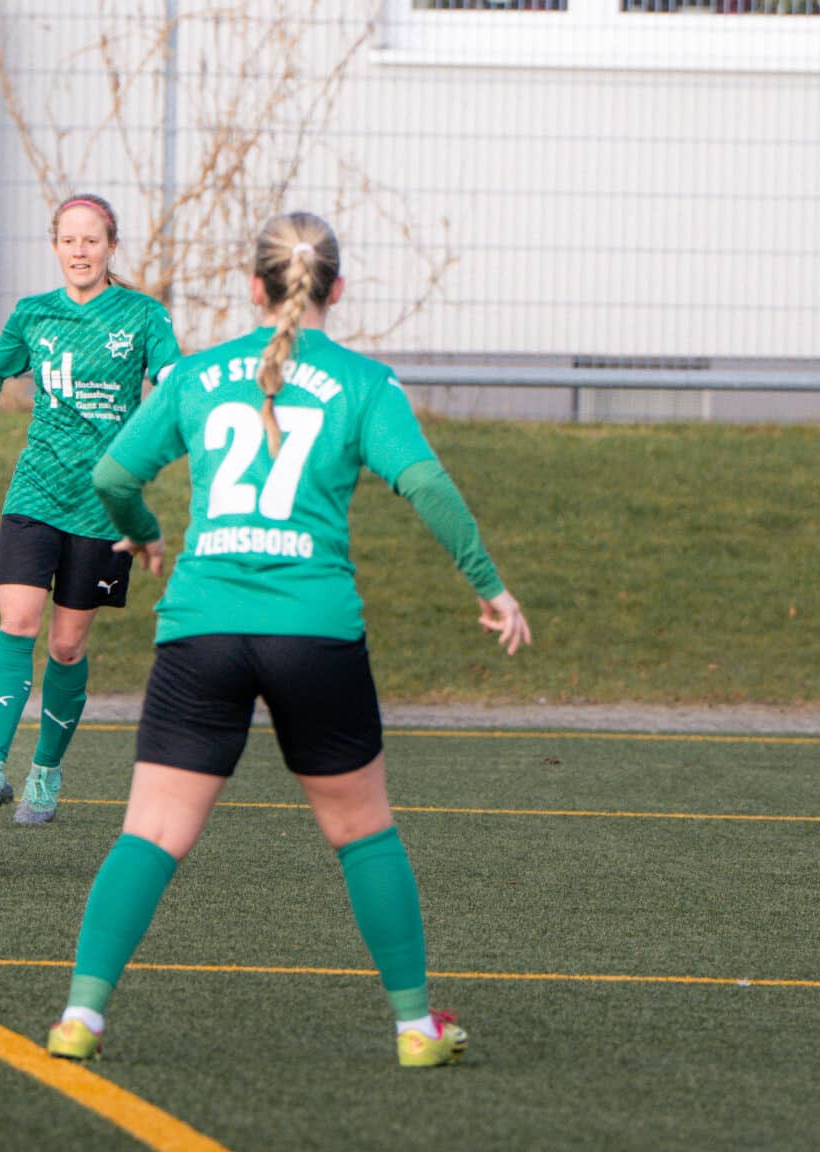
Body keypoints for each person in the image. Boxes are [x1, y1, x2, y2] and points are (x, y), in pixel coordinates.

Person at [42, 212, 533, 1066]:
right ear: (335, 290)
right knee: (364, 832)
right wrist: (490, 586)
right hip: (315, 633)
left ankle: (80, 1017)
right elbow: (427, 484)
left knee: (150, 832)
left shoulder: (195, 375)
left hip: (203, 630)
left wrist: (147, 532)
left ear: (253, 285)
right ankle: (417, 1029)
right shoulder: (363, 382)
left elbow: (113, 475)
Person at [0, 194, 179, 824]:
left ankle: (46, 775)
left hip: (103, 507)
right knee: (19, 622)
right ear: (55, 246)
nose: (79, 251)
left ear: (112, 246)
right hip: (34, 494)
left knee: (65, 646)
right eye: (69, 240)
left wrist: (168, 423)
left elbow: (174, 381)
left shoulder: (142, 315)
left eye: (92, 241)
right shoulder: (34, 314)